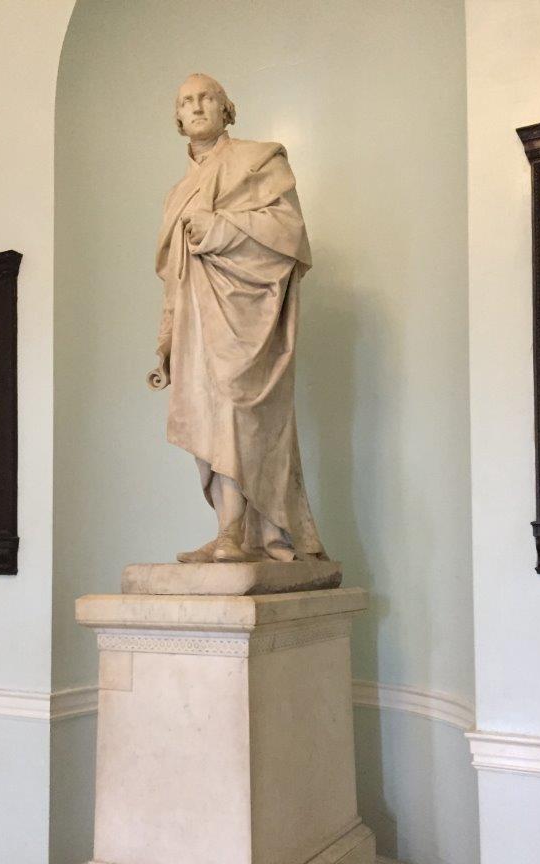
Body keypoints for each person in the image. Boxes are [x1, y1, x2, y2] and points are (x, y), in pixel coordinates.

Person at [150, 73, 327, 564]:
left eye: (208, 96)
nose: (198, 104)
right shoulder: (177, 194)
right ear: (178, 119)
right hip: (195, 325)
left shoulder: (259, 160)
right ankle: (229, 529)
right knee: (206, 419)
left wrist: (221, 228)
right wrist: (165, 344)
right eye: (187, 100)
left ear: (228, 109)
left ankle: (243, 532)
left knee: (233, 406)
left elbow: (290, 233)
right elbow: (174, 281)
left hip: (246, 315)